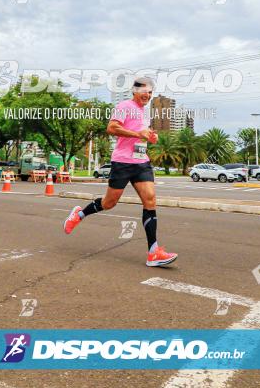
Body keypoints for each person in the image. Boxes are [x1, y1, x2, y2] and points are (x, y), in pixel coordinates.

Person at [63, 77, 177, 266]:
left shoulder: (145, 113)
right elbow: (112, 127)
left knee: (150, 199)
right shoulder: (124, 106)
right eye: (144, 91)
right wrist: (137, 134)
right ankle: (79, 215)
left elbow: (142, 134)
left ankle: (153, 252)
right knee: (109, 203)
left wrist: (150, 137)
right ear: (134, 91)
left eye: (150, 92)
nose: (147, 95)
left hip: (141, 162)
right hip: (122, 162)